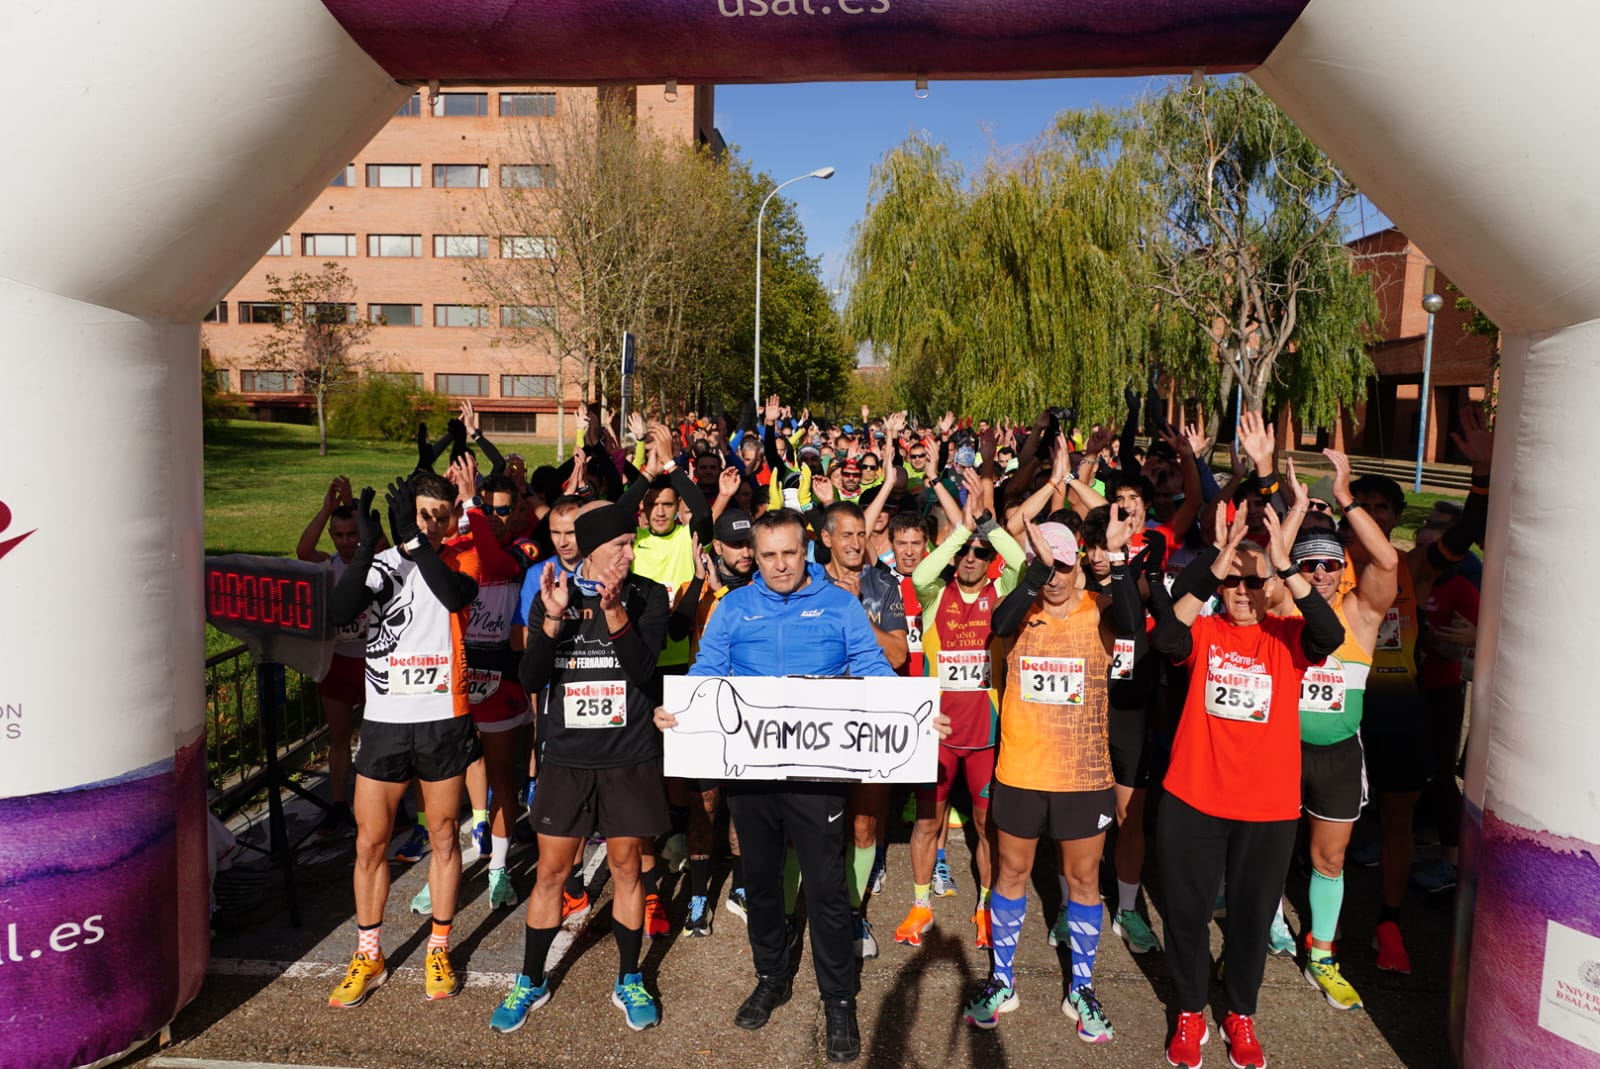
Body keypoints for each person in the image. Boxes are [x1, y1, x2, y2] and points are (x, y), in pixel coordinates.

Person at [656, 509, 922, 1064]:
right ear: (755, 555)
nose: (780, 565)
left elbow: (873, 666)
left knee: (825, 887)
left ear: (807, 551)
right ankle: (771, 974)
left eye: (790, 553)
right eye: (769, 554)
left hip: (816, 772)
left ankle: (838, 998)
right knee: (762, 880)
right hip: (752, 773)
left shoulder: (841, 605)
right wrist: (678, 708)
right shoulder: (734, 608)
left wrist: (916, 714)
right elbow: (709, 667)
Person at [1151, 503, 1345, 1069]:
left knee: (1251, 915)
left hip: (1267, 807)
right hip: (1194, 797)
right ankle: (1189, 1010)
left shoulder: (1288, 636)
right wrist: (1214, 564)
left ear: (1270, 588)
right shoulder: (1204, 630)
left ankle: (1240, 1012)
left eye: (1252, 581)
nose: (1242, 590)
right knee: (1186, 914)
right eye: (1233, 581)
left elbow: (1329, 632)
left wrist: (1284, 567)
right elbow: (1165, 638)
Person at [492, 503, 671, 1034]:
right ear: (592, 548)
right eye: (620, 544)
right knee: (551, 871)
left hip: (628, 755)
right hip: (567, 758)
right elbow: (530, 675)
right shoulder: (556, 591)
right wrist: (549, 618)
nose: (629, 553)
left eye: (632, 542)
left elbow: (643, 669)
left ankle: (629, 978)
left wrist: (616, 611)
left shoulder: (648, 594)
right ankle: (530, 979)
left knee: (626, 869)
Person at [960, 517, 1140, 1041]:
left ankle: (1081, 988)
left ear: (1079, 563)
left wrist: (1119, 564)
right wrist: (1032, 576)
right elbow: (997, 624)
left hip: (1083, 776)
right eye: (1046, 565)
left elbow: (1131, 623)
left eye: (1063, 564)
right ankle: (1001, 981)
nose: (1056, 576)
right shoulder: (1022, 612)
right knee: (1010, 875)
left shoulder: (1099, 612)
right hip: (1020, 772)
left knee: (1083, 881)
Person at [325, 470, 485, 1008]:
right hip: (386, 721)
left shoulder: (459, 558)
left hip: (442, 717)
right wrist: (369, 548)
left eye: (443, 516)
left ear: (452, 519)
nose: (434, 525)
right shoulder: (382, 564)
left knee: (442, 834)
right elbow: (339, 612)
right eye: (423, 515)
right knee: (370, 842)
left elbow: (453, 596)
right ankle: (369, 953)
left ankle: (438, 947)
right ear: (407, 514)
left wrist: (418, 546)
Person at [1277, 448, 1399, 1011]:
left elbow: (1389, 563)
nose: (1321, 573)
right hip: (1278, 751)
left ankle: (1321, 953)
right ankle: (1267, 928)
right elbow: (1272, 558)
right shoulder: (1281, 610)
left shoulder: (1360, 614)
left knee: (1330, 859)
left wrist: (1345, 495)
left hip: (1337, 756)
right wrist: (1298, 508)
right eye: (1309, 564)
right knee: (1269, 852)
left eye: (1330, 564)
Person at [897, 471, 1025, 951]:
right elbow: (922, 573)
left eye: (980, 554)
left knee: (986, 827)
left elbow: (1019, 559)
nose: (972, 559)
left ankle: (986, 906)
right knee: (927, 823)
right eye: (965, 554)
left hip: (988, 737)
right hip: (939, 735)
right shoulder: (934, 595)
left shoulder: (1002, 593)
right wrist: (959, 534)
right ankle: (920, 902)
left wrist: (988, 528)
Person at [818, 499, 908, 959]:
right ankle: (807, 913)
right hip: (816, 723)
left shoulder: (882, 583)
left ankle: (854, 911)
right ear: (826, 538)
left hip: (870, 721)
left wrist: (856, 610)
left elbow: (896, 655)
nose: (856, 544)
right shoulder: (806, 581)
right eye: (846, 535)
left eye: (861, 534)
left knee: (864, 825)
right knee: (812, 826)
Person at [294, 475, 364, 835]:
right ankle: (339, 804)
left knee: (379, 735)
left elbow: (379, 543)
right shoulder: (329, 565)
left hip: (372, 660)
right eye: (340, 536)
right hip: (337, 661)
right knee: (339, 735)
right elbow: (302, 552)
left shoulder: (373, 561)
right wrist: (326, 511)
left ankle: (385, 805)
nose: (347, 542)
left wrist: (354, 506)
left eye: (353, 534)